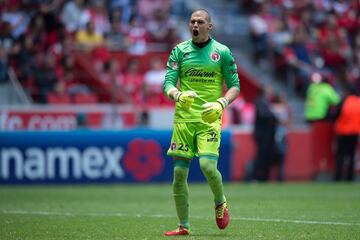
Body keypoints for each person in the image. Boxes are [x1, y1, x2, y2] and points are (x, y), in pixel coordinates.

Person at [162, 9, 240, 236]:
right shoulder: (179, 51)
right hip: (184, 120)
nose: (195, 25)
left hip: (209, 118)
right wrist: (177, 95)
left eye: (200, 21)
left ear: (209, 26)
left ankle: (220, 201)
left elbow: (235, 85)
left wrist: (221, 103)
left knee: (207, 166)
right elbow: (167, 83)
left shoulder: (222, 52)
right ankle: (183, 226)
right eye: (192, 21)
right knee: (178, 175)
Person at [333, 86, 360, 181]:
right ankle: (350, 177)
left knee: (341, 155)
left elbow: (336, 115)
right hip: (355, 132)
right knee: (351, 155)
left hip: (343, 132)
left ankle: (338, 176)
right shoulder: (358, 102)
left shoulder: (344, 101)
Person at [251, 84, 277, 181]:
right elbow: (263, 115)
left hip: (268, 135)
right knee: (261, 156)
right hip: (262, 135)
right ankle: (255, 177)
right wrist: (274, 114)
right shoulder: (260, 101)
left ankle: (263, 178)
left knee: (266, 157)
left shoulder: (266, 102)